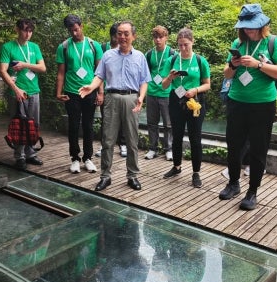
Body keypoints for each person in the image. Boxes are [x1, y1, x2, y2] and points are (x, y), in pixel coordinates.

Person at [219, 3, 277, 210]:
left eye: (252, 26)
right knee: (234, 145)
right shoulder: (238, 42)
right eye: (245, 26)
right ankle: (233, 183)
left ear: (262, 24)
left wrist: (258, 65)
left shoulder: (273, 43)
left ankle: (252, 191)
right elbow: (227, 75)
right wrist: (234, 65)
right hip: (237, 102)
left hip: (263, 105)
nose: (249, 30)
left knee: (258, 149)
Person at [79, 20, 151, 191]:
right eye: (119, 33)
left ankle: (132, 176)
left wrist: (141, 97)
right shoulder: (108, 55)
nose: (122, 37)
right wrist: (91, 86)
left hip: (131, 99)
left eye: (126, 33)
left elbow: (144, 81)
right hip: (111, 98)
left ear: (133, 36)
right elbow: (99, 76)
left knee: (132, 140)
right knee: (108, 139)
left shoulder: (140, 57)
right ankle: (105, 176)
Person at [161, 27, 211, 188]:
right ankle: (176, 166)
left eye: (186, 45)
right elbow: (163, 85)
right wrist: (170, 76)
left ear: (192, 42)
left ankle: (196, 173)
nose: (183, 48)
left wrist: (195, 90)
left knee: (195, 138)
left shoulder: (199, 60)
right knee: (176, 135)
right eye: (180, 45)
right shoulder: (172, 60)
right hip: (176, 100)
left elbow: (207, 84)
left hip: (195, 101)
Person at [56, 14, 103, 174]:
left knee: (88, 125)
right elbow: (61, 72)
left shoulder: (93, 45)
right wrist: (58, 92)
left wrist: (100, 92)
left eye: (76, 29)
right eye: (71, 31)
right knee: (74, 125)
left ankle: (88, 158)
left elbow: (100, 72)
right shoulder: (64, 47)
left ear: (81, 26)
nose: (74, 33)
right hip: (71, 91)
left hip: (89, 91)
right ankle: (75, 158)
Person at [0, 18, 46, 170]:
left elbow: (42, 68)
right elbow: (3, 71)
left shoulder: (34, 47)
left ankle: (30, 154)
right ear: (17, 30)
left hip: (34, 90)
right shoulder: (8, 47)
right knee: (19, 124)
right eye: (25, 30)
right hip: (18, 92)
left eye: (30, 31)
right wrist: (16, 90)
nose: (28, 34)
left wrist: (25, 64)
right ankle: (19, 156)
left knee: (34, 124)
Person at [95, 23, 127, 158]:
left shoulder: (125, 48)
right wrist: (99, 91)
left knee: (122, 119)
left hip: (122, 90)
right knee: (106, 119)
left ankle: (123, 144)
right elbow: (98, 71)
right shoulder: (103, 48)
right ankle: (105, 144)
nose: (118, 39)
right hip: (107, 90)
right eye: (116, 36)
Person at [144, 26, 174, 161]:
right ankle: (153, 148)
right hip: (151, 92)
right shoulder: (149, 54)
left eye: (160, 37)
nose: (158, 40)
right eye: (155, 37)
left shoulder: (172, 53)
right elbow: (145, 73)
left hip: (166, 93)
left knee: (168, 124)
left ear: (166, 37)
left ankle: (168, 149)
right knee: (152, 123)